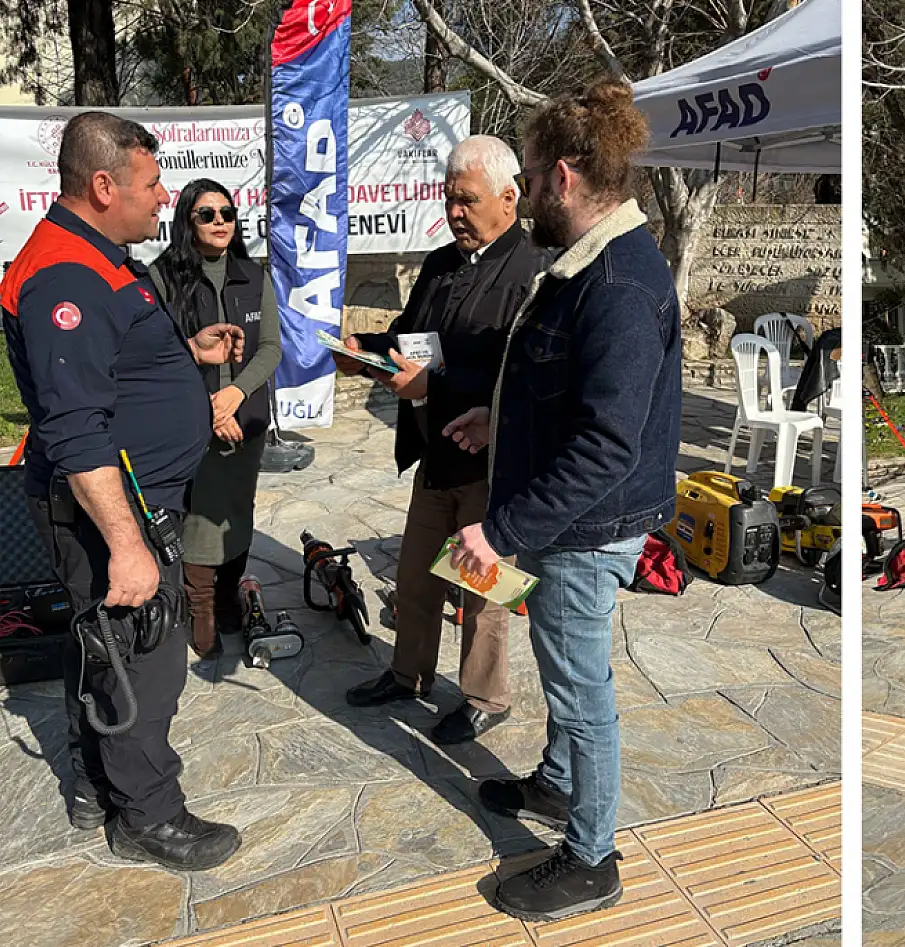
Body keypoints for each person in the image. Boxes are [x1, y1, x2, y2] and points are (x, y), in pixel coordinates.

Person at [438, 80, 682, 922]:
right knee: (560, 671)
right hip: (558, 518)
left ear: (566, 176)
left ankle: (592, 855)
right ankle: (557, 780)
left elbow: (610, 442)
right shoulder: (583, 264)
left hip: (579, 531)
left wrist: (500, 530)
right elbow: (565, 389)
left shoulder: (615, 281)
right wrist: (496, 415)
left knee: (582, 691)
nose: (528, 192)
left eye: (533, 176)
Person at [0, 112, 245, 869]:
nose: (163, 196)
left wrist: (184, 355)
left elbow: (113, 363)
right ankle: (147, 812)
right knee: (144, 655)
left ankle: (92, 781)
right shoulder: (63, 276)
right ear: (103, 186)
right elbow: (74, 429)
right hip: (111, 508)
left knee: (102, 644)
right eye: (150, 183)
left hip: (133, 493)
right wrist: (128, 545)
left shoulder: (97, 254)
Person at [333, 136, 546, 747]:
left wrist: (435, 386)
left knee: (483, 587)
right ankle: (409, 674)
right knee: (417, 575)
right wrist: (364, 355)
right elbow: (408, 335)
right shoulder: (440, 263)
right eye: (448, 198)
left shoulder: (533, 272)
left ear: (510, 199)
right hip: (435, 453)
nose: (455, 212)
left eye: (467, 200)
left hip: (490, 460)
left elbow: (518, 371)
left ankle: (485, 696)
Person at [152, 179, 281, 660]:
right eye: (207, 214)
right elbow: (161, 354)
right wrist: (209, 409)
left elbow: (270, 348)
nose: (220, 221)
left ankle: (228, 603)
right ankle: (201, 615)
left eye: (226, 213)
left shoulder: (253, 274)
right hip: (193, 429)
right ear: (188, 220)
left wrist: (233, 394)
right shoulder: (163, 277)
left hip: (245, 423)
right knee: (201, 526)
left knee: (237, 516)